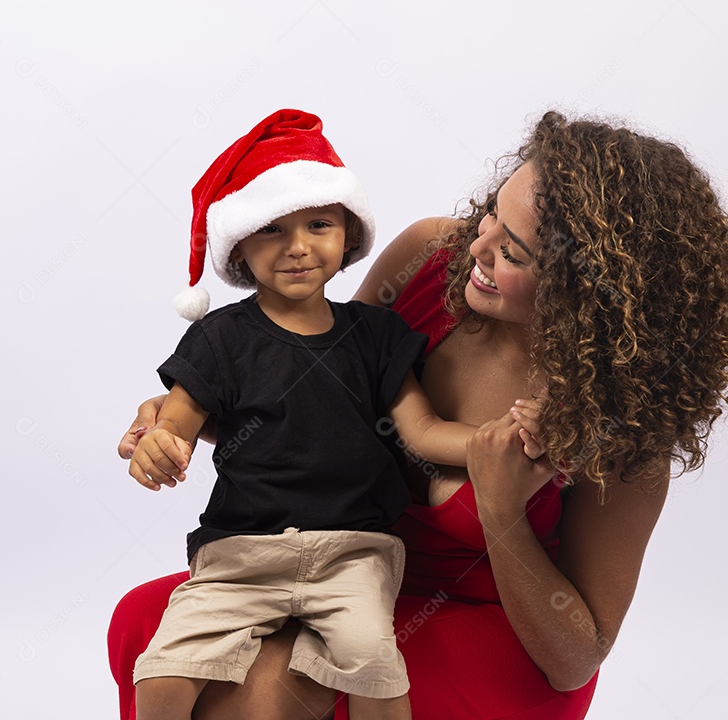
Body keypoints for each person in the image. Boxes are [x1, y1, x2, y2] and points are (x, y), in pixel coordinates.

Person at [110, 110, 728, 720]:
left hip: (485, 624)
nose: (479, 247)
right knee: (142, 619)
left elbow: (576, 659)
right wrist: (180, 419)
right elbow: (312, 395)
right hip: (335, 559)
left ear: (592, 293)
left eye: (516, 254)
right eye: (493, 217)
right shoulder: (428, 258)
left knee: (276, 685)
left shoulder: (625, 430)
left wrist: (502, 514)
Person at [130, 109, 491, 720]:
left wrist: (495, 439)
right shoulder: (220, 339)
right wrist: (156, 444)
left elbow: (424, 431)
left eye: (318, 224)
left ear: (347, 233)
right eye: (271, 230)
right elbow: (176, 422)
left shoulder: (375, 335)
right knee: (162, 675)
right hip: (238, 555)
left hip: (353, 552)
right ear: (239, 245)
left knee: (377, 672)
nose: (297, 247)